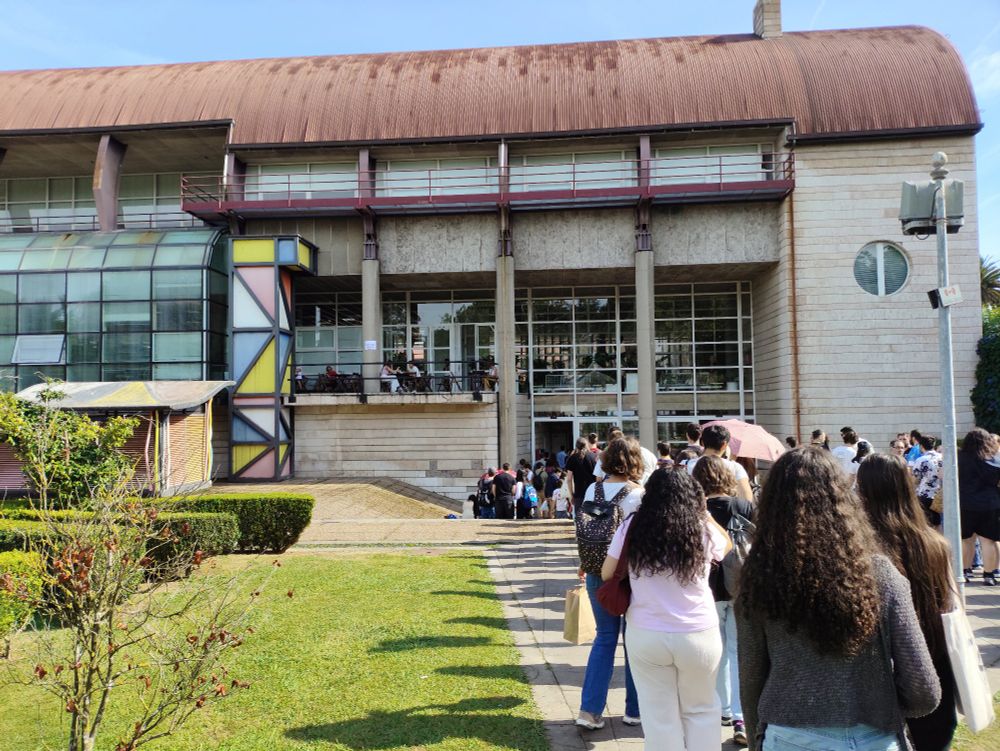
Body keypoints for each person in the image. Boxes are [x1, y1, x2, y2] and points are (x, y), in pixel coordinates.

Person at [737, 448, 940, 751]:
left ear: (771, 504)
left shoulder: (758, 577)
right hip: (873, 734)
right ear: (845, 500)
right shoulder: (882, 575)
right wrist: (882, 703)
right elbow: (924, 689)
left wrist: (757, 738)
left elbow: (751, 677)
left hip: (787, 732)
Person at [602, 468, 730, 749]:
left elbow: (606, 573)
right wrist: (704, 511)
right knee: (702, 709)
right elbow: (726, 548)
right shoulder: (701, 526)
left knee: (658, 715)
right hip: (698, 631)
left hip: (646, 631)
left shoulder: (632, 526)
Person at [857, 453, 957, 751]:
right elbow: (949, 607)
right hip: (933, 659)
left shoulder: (861, 547)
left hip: (879, 664)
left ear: (862, 490)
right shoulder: (935, 544)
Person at [575, 438, 645, 731]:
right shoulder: (638, 495)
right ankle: (634, 710)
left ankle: (589, 710)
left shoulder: (594, 489)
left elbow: (588, 529)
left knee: (604, 638)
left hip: (595, 570)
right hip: (629, 577)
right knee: (634, 642)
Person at [692, 456, 755, 746]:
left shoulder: (695, 509)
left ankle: (723, 710)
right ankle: (742, 716)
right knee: (739, 650)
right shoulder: (744, 506)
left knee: (716, 650)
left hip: (708, 587)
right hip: (741, 585)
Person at [959, 428, 1000, 586]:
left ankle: (965, 571)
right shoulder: (993, 458)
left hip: (965, 503)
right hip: (989, 503)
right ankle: (989, 575)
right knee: (988, 541)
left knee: (966, 540)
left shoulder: (960, 458)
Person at [686, 425, 754, 502]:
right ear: (724, 445)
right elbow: (746, 498)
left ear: (702, 443)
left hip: (696, 510)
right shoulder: (735, 467)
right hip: (728, 511)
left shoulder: (689, 465)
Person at [910, 434, 943, 527]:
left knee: (924, 524)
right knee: (937, 523)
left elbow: (915, 479)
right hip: (939, 495)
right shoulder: (942, 457)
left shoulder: (921, 460)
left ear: (921, 446)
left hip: (924, 495)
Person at [565, 437, 597, 508]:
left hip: (579, 494)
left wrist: (572, 495)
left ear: (576, 446)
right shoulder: (594, 457)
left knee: (580, 518)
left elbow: (569, 479)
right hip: (592, 493)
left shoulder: (572, 458)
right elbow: (598, 476)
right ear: (587, 445)